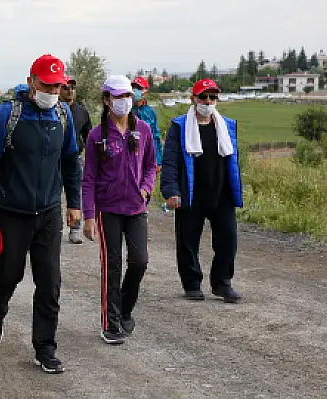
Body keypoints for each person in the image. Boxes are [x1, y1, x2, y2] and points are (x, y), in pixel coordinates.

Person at [0, 54, 81, 374]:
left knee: (50, 282)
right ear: (32, 81)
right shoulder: (9, 114)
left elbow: (71, 162)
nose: (53, 90)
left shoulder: (62, 115)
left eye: (58, 85)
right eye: (47, 84)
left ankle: (45, 347)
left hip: (48, 213)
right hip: (11, 213)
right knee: (9, 276)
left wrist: (74, 203)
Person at [81, 75, 157, 345]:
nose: (124, 101)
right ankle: (111, 324)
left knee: (139, 262)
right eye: (117, 97)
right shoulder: (96, 136)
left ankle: (124, 309)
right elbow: (88, 177)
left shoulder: (143, 130)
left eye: (127, 96)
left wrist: (146, 189)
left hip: (136, 207)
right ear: (106, 100)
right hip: (108, 209)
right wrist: (88, 216)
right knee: (112, 265)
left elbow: (150, 166)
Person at [160, 78, 243, 303]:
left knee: (228, 239)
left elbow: (233, 160)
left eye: (212, 97)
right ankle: (192, 283)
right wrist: (170, 191)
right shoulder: (179, 126)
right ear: (193, 99)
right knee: (187, 240)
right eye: (203, 97)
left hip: (221, 192)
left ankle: (222, 282)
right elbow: (169, 161)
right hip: (191, 192)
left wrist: (237, 188)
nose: (208, 101)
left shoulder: (227, 125)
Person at [60, 76, 92, 244]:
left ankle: (75, 229)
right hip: (54, 159)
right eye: (65, 87)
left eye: (72, 87)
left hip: (74, 158)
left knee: (75, 193)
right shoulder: (54, 108)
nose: (69, 90)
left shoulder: (81, 111)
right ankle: (54, 228)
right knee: (52, 193)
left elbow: (89, 134)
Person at [131, 77, 164, 173]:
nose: (135, 90)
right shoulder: (126, 110)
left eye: (139, 88)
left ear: (146, 91)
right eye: (133, 87)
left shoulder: (150, 112)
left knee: (147, 186)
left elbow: (156, 136)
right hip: (130, 155)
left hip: (147, 155)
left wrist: (158, 160)